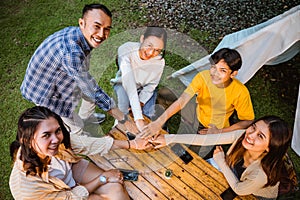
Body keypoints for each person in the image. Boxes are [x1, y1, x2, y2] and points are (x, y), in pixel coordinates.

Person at [20, 3, 138, 155]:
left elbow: (86, 84)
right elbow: (91, 89)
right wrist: (125, 121)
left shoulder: (79, 36)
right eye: (97, 26)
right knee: (74, 126)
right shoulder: (71, 52)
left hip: (61, 77)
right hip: (45, 91)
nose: (102, 34)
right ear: (82, 23)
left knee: (89, 98)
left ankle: (86, 117)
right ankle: (84, 141)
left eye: (107, 28)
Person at [9, 106, 149, 199]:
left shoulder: (58, 141)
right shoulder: (27, 188)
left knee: (117, 190)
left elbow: (87, 144)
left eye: (57, 131)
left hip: (71, 171)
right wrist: (103, 178)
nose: (56, 140)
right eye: (46, 135)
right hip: (62, 194)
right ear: (27, 140)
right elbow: (71, 197)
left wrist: (133, 144)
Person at [141, 48, 255, 157]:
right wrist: (159, 122)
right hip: (196, 111)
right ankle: (164, 127)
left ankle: (196, 137)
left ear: (233, 74)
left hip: (211, 127)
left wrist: (220, 131)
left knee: (191, 153)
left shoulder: (240, 92)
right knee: (165, 93)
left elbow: (248, 121)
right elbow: (182, 100)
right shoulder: (203, 76)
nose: (215, 73)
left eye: (223, 70)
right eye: (213, 67)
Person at [150, 116, 292, 199]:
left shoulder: (261, 174)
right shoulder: (243, 135)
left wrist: (221, 162)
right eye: (253, 127)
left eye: (260, 136)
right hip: (234, 172)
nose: (250, 134)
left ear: (269, 148)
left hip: (252, 194)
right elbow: (208, 139)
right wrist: (170, 138)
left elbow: (239, 190)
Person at [111, 26, 167, 131]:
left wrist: (141, 102)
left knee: (148, 113)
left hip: (144, 88)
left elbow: (151, 86)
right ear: (142, 39)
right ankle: (118, 131)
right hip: (123, 85)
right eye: (149, 46)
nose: (151, 53)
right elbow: (129, 84)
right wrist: (138, 119)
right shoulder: (125, 49)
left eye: (157, 50)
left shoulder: (160, 61)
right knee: (123, 110)